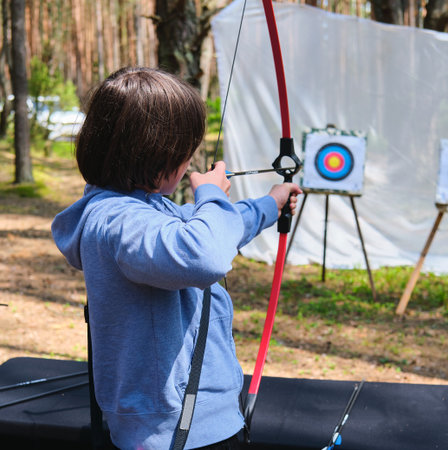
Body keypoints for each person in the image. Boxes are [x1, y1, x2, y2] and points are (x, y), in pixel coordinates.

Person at [51, 66, 301, 450]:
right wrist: (212, 195)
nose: (189, 162)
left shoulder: (146, 213)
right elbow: (204, 254)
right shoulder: (120, 222)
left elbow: (218, 228)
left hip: (195, 425)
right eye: (184, 152)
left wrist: (271, 203)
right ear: (153, 155)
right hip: (174, 434)